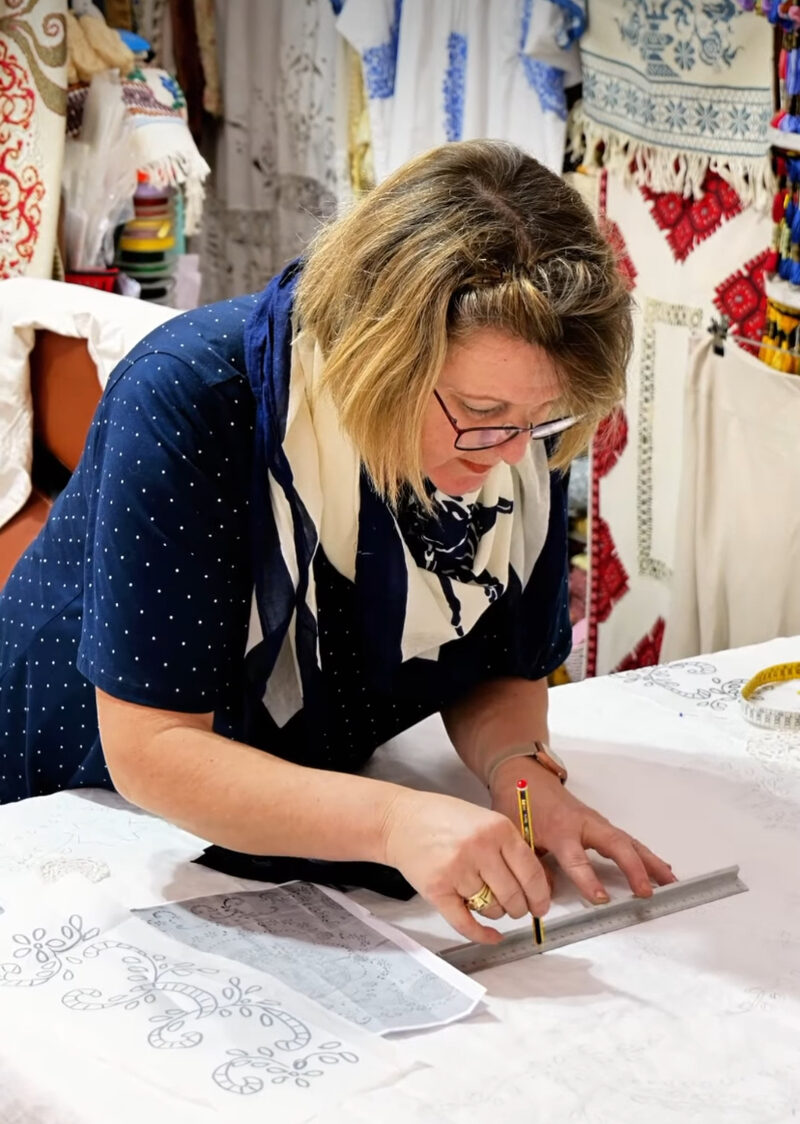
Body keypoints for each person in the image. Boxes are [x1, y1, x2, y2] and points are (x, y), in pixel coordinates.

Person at [0, 140, 674, 945]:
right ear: (376, 349)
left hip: (299, 784)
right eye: (480, 413)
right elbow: (155, 749)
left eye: (539, 422)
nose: (507, 455)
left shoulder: (510, 424)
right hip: (77, 800)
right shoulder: (192, 397)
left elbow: (499, 660)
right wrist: (392, 823)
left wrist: (520, 771)